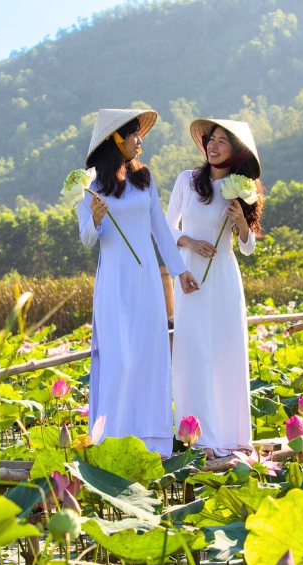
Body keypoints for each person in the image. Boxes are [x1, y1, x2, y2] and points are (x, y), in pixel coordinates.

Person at [77, 108, 200, 456]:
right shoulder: (90, 188)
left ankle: (153, 441)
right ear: (114, 140)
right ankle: (112, 442)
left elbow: (159, 227)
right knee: (121, 360)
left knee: (149, 356)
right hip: (114, 282)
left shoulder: (143, 178)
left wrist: (179, 270)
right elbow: (87, 238)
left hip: (146, 280)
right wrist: (95, 219)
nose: (139, 141)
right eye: (133, 134)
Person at [167, 118, 264, 456]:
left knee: (225, 353)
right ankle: (198, 437)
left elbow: (248, 248)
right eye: (211, 139)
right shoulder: (187, 181)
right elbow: (165, 228)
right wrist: (189, 244)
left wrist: (241, 223)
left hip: (223, 279)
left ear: (235, 151)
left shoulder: (240, 191)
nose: (213, 145)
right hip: (190, 277)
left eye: (222, 141)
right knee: (192, 353)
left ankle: (229, 436)